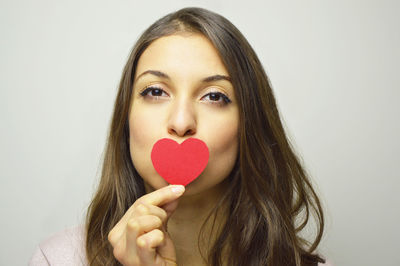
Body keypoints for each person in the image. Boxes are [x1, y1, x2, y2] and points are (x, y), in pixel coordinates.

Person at [29, 7, 332, 266]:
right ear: (126, 118)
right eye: (156, 91)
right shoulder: (57, 260)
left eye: (214, 96)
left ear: (248, 126)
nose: (181, 122)